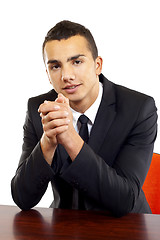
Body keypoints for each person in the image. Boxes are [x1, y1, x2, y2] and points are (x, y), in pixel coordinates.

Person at [11, 20, 157, 217]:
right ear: (48, 74)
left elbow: (125, 199)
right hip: (65, 226)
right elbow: (22, 198)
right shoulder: (39, 109)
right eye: (55, 66)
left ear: (98, 65)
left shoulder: (139, 109)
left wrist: (70, 137)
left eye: (77, 62)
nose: (66, 75)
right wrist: (47, 142)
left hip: (126, 226)